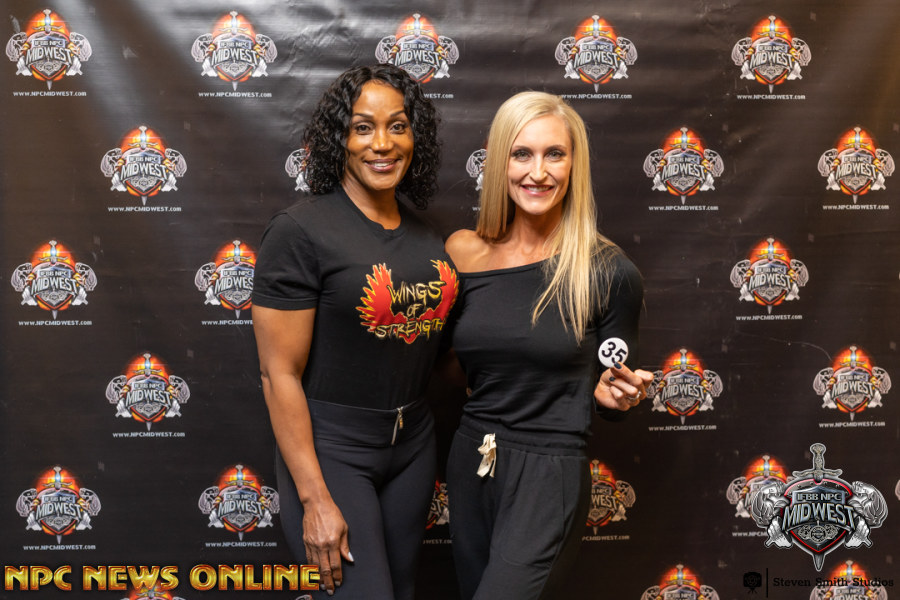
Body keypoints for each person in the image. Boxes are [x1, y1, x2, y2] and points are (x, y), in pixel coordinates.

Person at [251, 64, 457, 599]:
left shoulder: (428, 238)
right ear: (339, 139)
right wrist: (315, 498)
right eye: (363, 127)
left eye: (398, 126)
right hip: (333, 451)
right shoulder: (300, 231)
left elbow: (446, 354)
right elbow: (278, 374)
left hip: (413, 446)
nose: (382, 144)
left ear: (415, 137)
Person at [444, 91, 653, 600]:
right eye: (522, 154)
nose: (537, 172)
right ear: (500, 161)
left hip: (547, 472)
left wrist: (615, 397)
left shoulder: (608, 271)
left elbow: (613, 385)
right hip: (471, 459)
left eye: (554, 154)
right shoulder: (462, 252)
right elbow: (444, 366)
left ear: (574, 164)